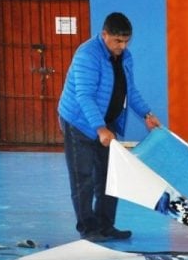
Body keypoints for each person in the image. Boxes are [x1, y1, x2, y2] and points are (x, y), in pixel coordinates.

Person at [58, 12, 161, 242]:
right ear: (104, 35)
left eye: (126, 41)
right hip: (79, 122)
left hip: (106, 121)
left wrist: (147, 114)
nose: (122, 46)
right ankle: (88, 228)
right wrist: (99, 128)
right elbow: (84, 96)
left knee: (109, 176)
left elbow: (129, 89)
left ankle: (105, 226)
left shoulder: (125, 57)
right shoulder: (87, 56)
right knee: (82, 176)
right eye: (117, 41)